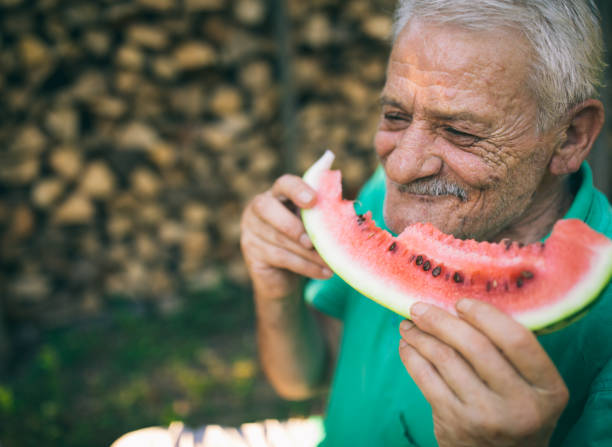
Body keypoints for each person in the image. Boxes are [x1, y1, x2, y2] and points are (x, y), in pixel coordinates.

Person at [113, 1, 612, 446]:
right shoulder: (385, 193)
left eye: (460, 131)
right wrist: (276, 292)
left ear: (570, 136)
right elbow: (305, 377)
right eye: (396, 116)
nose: (401, 166)